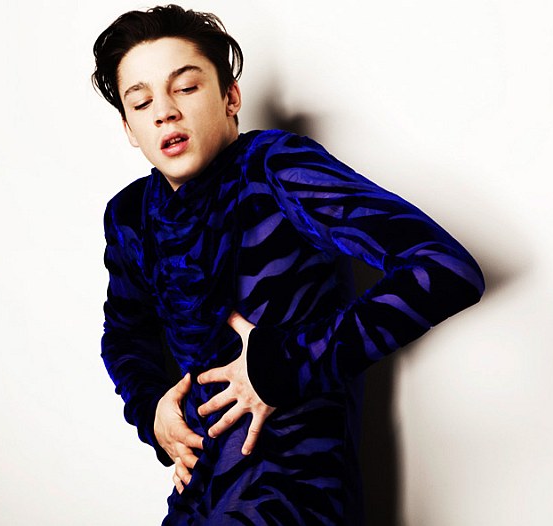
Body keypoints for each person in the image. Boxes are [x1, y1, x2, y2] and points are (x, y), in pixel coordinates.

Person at [93, 5, 485, 525]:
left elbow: (444, 269)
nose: (164, 112)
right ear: (129, 127)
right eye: (141, 102)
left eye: (185, 87)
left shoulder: (275, 167)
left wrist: (284, 365)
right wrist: (153, 412)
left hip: (294, 490)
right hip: (198, 492)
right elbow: (125, 335)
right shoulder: (130, 215)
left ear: (230, 97)